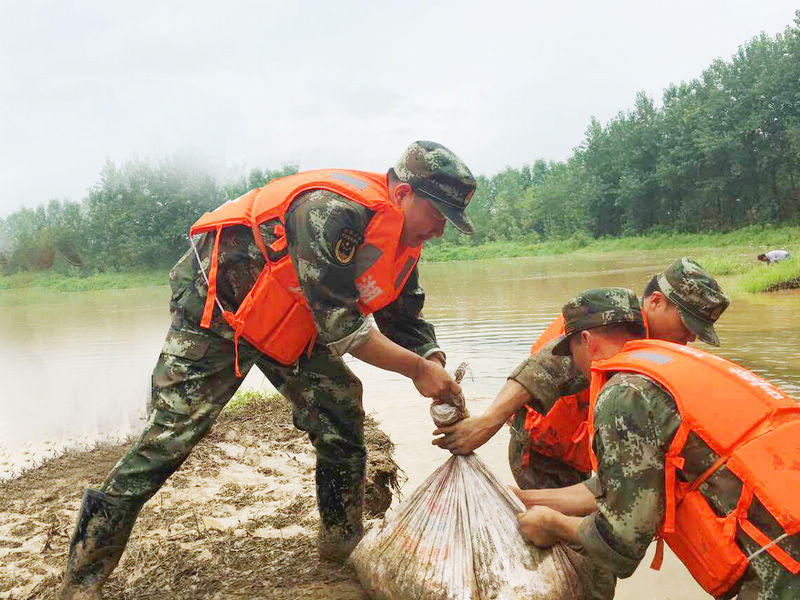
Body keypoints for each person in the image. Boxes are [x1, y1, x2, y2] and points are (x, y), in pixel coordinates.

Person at [59, 141, 477, 598]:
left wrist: (433, 360)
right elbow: (346, 331)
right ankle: (82, 579)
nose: (440, 231)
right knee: (170, 437)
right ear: (403, 196)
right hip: (218, 309)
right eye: (438, 217)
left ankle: (342, 543)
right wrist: (418, 371)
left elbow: (405, 319)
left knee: (339, 406)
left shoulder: (403, 243)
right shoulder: (329, 212)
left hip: (287, 317)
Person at [515, 288, 800, 599]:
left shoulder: (623, 393)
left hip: (785, 568)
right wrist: (524, 498)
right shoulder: (671, 369)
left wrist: (552, 524)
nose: (574, 362)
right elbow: (614, 487)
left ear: (586, 341)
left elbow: (623, 540)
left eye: (570, 351)